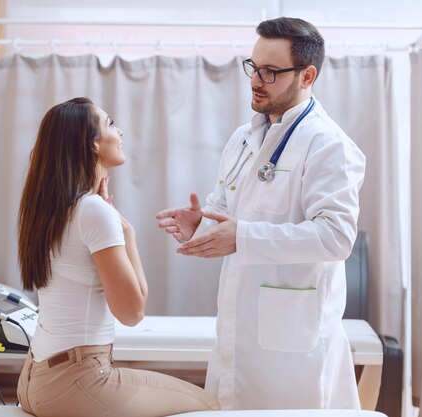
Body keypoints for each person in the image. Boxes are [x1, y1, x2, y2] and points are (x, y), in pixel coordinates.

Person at [156, 17, 365, 410]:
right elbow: (227, 214)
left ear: (307, 75)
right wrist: (198, 225)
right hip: (237, 329)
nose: (255, 80)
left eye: (270, 72)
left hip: (292, 342)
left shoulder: (327, 144)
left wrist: (243, 237)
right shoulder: (243, 138)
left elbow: (336, 237)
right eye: (253, 67)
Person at [16, 97, 219, 417]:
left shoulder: (50, 209)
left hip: (34, 378)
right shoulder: (93, 211)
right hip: (75, 380)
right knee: (211, 405)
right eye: (110, 124)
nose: (120, 132)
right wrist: (128, 235)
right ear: (93, 143)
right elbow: (132, 312)